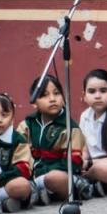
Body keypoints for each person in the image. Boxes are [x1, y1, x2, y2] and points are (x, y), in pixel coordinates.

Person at [20, 74, 85, 204]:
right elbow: (19, 153)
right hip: (32, 175)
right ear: (34, 103)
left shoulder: (70, 127)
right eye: (44, 95)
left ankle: (36, 194)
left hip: (62, 175)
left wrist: (42, 173)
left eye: (56, 93)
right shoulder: (27, 124)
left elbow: (73, 162)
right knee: (18, 182)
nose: (52, 99)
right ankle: (37, 193)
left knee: (55, 178)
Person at [0, 91, 35, 213]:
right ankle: (3, 203)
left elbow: (23, 169)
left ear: (12, 119)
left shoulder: (18, 139)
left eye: (4, 115)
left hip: (6, 184)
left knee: (22, 185)